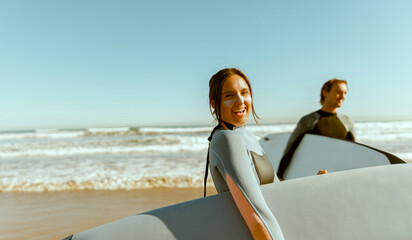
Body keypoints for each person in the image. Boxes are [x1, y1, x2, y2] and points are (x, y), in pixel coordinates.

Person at [203, 68, 285, 240]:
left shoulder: (246, 135)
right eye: (229, 95)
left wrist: (312, 183)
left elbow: (277, 189)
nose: (240, 101)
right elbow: (256, 217)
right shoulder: (227, 140)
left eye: (244, 92)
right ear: (214, 103)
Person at [277, 78, 355, 180]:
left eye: (345, 93)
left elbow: (353, 154)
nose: (343, 97)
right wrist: (280, 175)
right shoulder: (309, 120)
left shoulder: (347, 122)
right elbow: (290, 149)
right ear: (325, 92)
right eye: (338, 92)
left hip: (339, 177)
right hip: (315, 177)